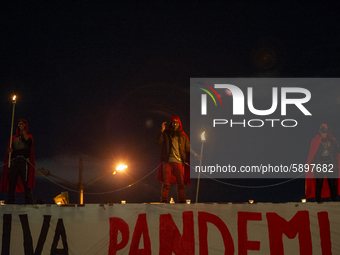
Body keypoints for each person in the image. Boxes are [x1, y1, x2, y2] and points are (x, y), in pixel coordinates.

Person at [156, 116, 198, 203]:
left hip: (179, 162)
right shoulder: (166, 134)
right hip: (168, 161)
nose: (175, 124)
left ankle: (181, 201)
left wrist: (195, 154)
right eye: (174, 122)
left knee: (180, 184)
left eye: (177, 122)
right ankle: (163, 201)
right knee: (166, 183)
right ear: (171, 123)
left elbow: (188, 148)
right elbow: (159, 141)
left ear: (179, 124)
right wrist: (162, 131)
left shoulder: (183, 136)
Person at [0, 118, 35, 204]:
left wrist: (23, 131)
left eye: (22, 124)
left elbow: (29, 142)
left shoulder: (28, 136)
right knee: (12, 183)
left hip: (24, 161)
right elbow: (10, 152)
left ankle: (29, 203)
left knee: (26, 184)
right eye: (19, 124)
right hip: (15, 162)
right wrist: (9, 152)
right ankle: (11, 203)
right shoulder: (13, 138)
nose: (20, 125)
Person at [306, 124, 340, 203]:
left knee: (332, 184)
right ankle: (318, 200)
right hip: (319, 164)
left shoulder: (332, 140)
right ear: (320, 131)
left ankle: (334, 200)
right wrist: (312, 164)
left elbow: (338, 150)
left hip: (330, 163)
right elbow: (313, 153)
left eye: (325, 131)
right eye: (322, 131)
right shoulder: (316, 140)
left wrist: (334, 142)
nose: (324, 133)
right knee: (319, 184)